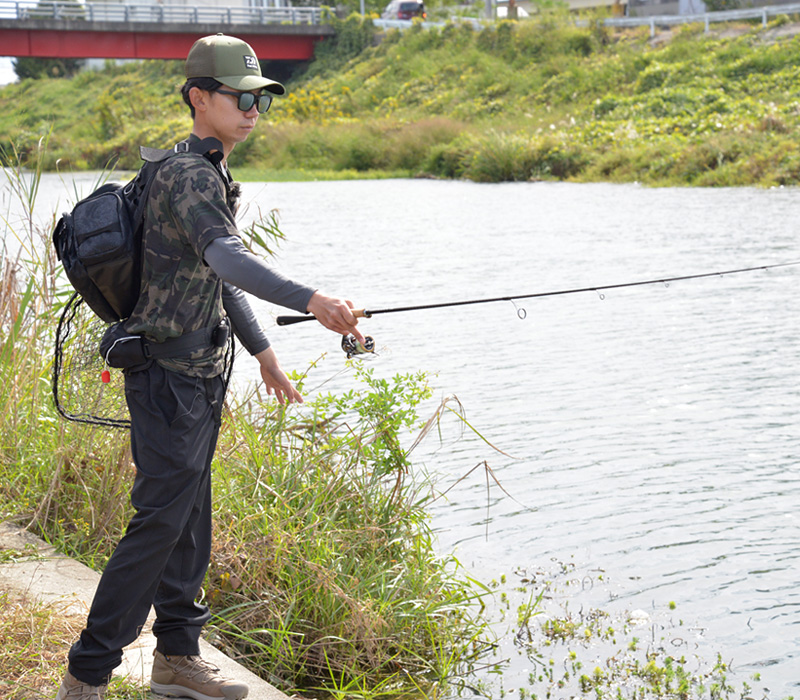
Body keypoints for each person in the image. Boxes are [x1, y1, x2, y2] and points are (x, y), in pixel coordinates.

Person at [56, 34, 364, 700]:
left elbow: (211, 279)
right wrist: (310, 300)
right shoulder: (190, 174)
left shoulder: (203, 166)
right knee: (160, 524)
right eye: (238, 96)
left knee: (191, 517)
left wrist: (263, 353)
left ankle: (176, 660)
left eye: (260, 97)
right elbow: (226, 257)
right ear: (199, 97)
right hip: (169, 379)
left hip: (196, 375)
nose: (253, 108)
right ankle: (86, 674)